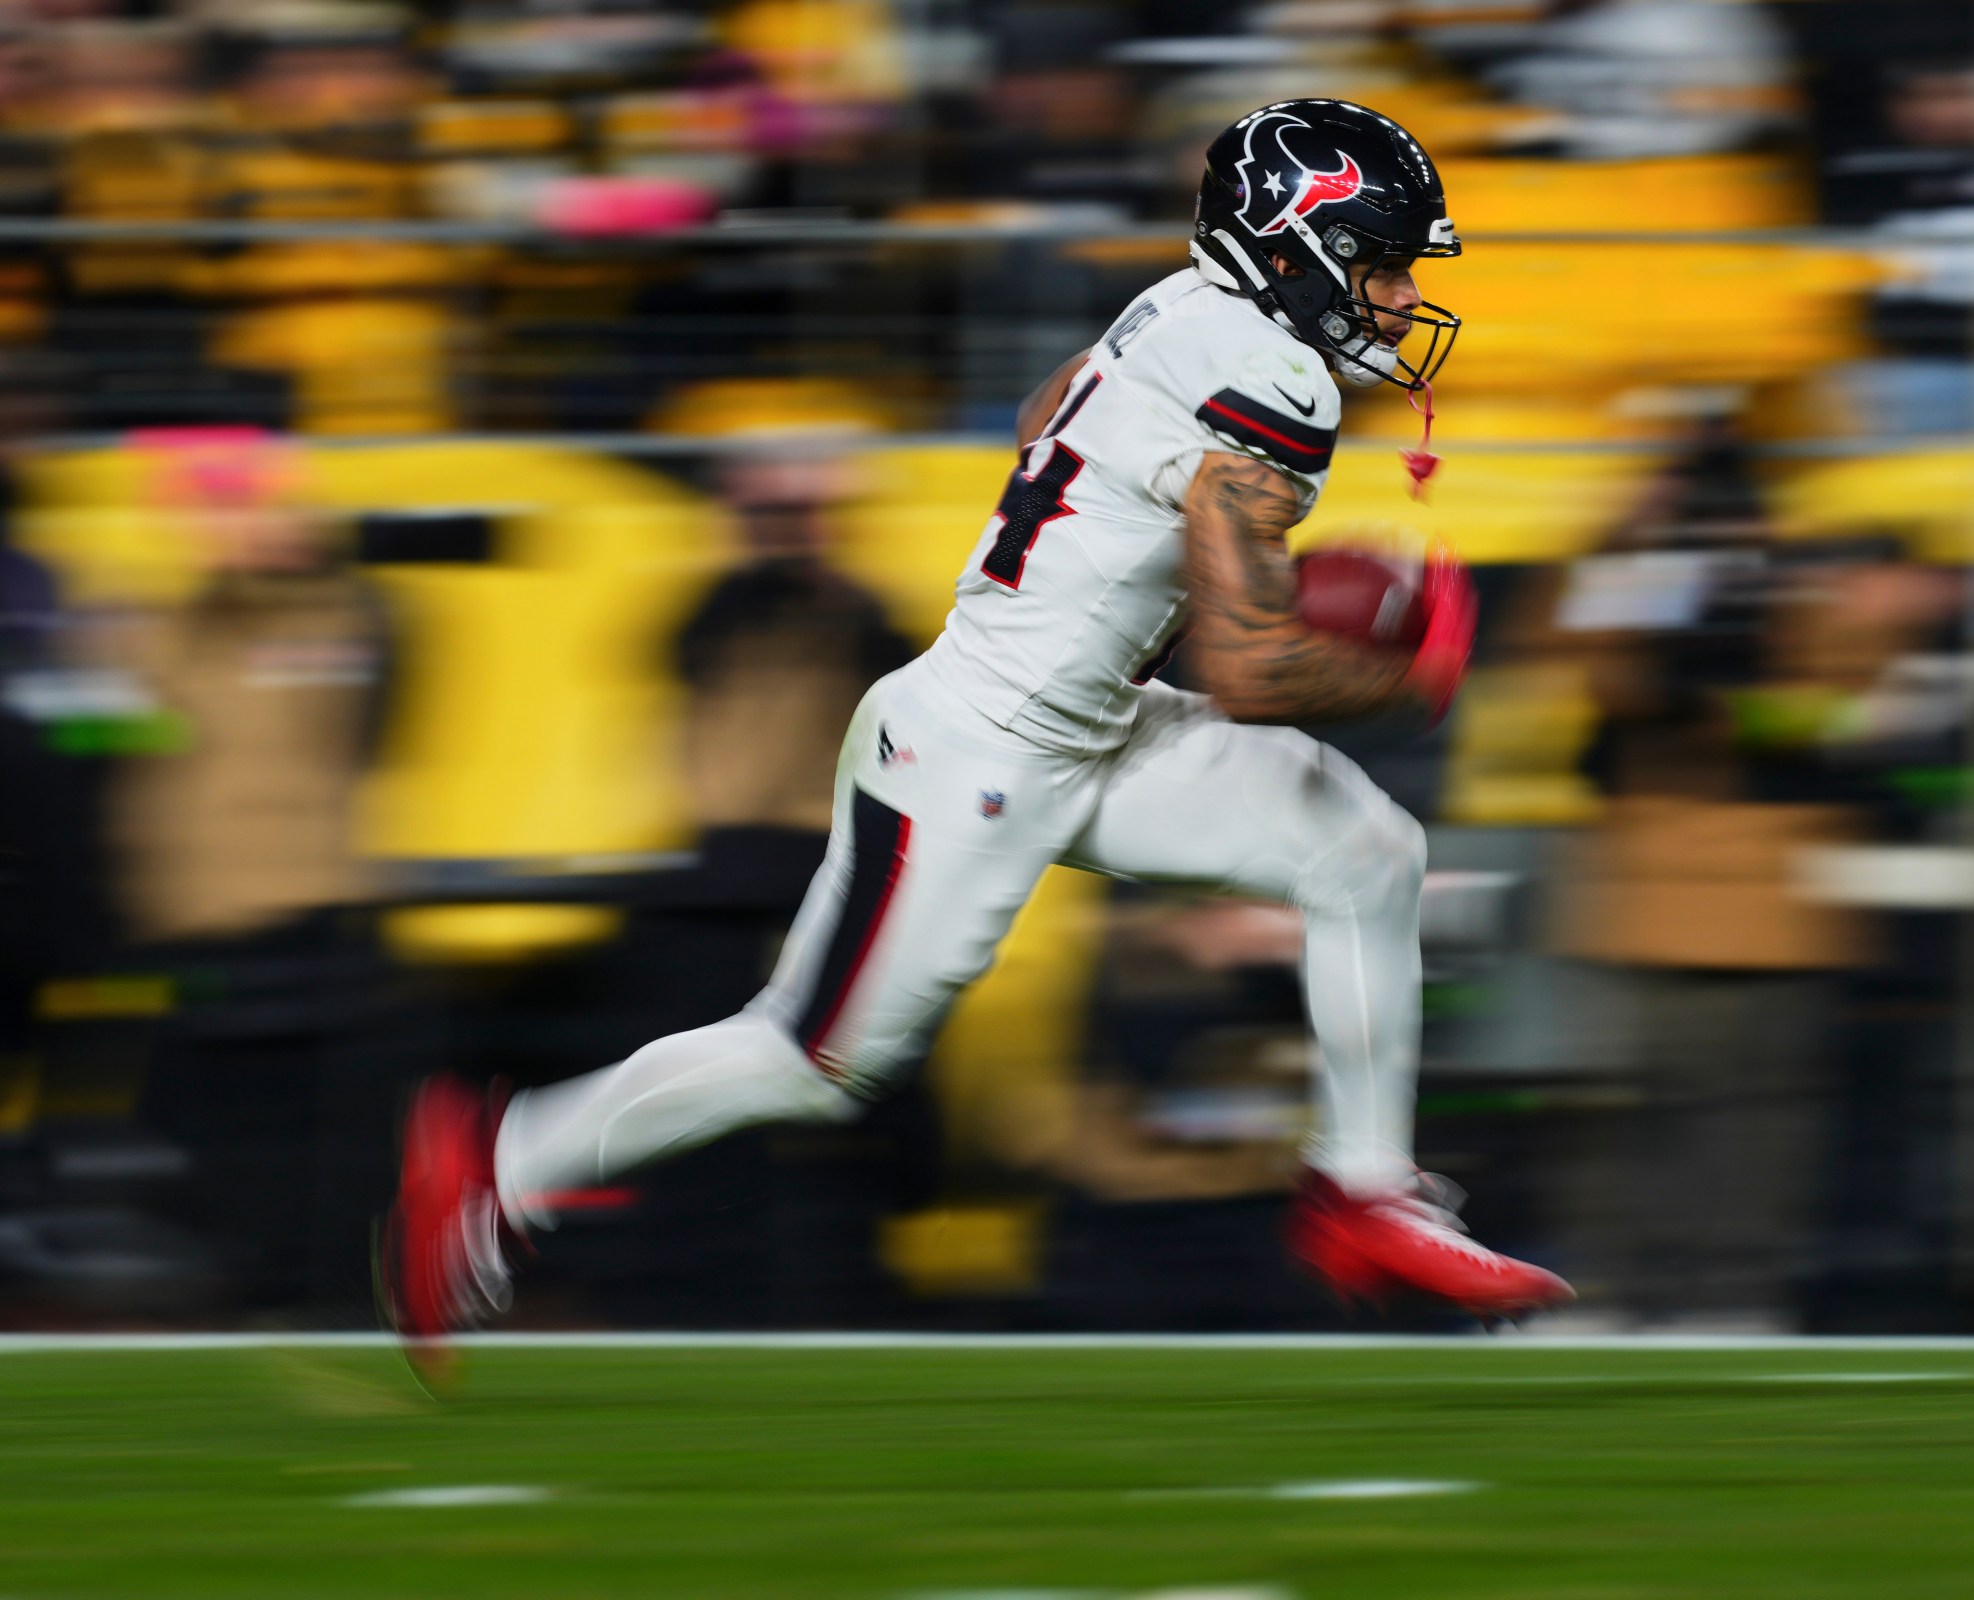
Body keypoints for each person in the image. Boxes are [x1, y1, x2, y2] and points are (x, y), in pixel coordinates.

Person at [382, 99, 1573, 1362]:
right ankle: (494, 1165)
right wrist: (1417, 662)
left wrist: (1134, 564)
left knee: (1363, 849)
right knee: (813, 1057)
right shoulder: (1270, 374)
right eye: (1382, 263)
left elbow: (1041, 412)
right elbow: (1251, 669)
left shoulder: (1183, 306)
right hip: (979, 754)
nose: (1397, 300)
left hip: (1084, 724)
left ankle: (1362, 1193)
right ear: (1296, 245)